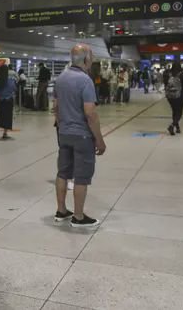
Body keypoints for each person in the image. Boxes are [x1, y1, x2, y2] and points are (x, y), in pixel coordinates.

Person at [53, 44, 106, 228]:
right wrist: (99, 140)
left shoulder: (60, 78)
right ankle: (78, 216)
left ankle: (61, 210)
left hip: (65, 133)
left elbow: (56, 108)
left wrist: (62, 128)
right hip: (82, 136)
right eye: (90, 57)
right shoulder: (85, 81)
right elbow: (90, 113)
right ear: (85, 60)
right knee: (81, 177)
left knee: (63, 173)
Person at [164, 63, 183, 136]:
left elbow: (165, 84)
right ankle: (172, 126)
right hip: (179, 95)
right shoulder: (182, 75)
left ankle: (177, 128)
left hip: (170, 96)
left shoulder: (168, 74)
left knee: (174, 111)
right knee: (179, 113)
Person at [0, 64, 17, 140]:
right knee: (7, 117)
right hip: (8, 100)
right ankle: (5, 133)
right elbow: (14, 89)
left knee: (1, 116)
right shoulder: (10, 81)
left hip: (1, 100)